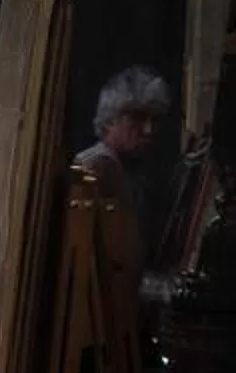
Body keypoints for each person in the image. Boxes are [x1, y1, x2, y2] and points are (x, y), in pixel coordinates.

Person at [73, 65, 176, 323]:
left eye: (154, 120)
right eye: (137, 119)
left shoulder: (134, 172)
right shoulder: (98, 167)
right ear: (110, 120)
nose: (149, 130)